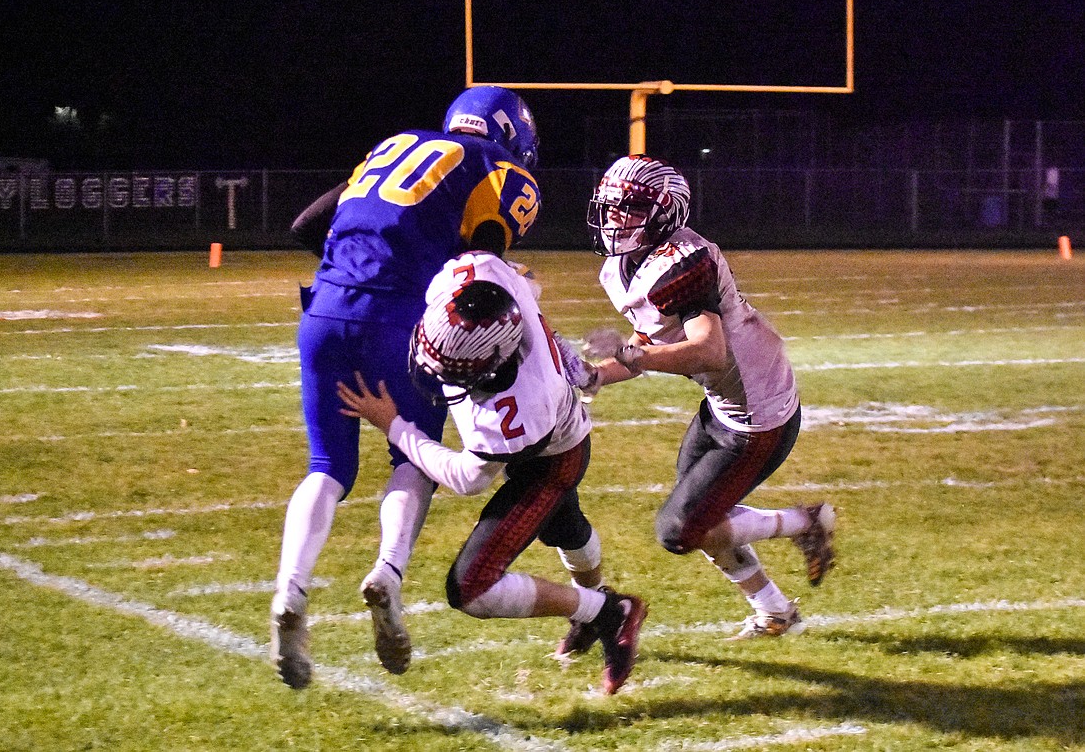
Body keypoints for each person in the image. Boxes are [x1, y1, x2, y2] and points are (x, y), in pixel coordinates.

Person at [271, 86, 542, 689]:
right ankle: (388, 572)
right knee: (412, 455)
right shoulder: (494, 170)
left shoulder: (392, 145)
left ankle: (290, 588)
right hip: (397, 323)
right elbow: (482, 267)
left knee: (326, 466)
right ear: (511, 133)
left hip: (324, 312)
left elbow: (305, 226)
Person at [337, 250, 648, 695]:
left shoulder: (516, 407)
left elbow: (466, 477)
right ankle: (595, 613)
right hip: (560, 425)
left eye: (457, 373)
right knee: (565, 527)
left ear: (495, 366)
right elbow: (525, 282)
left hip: (552, 458)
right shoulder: (475, 274)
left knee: (471, 586)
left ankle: (606, 613)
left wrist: (395, 427)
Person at [565, 154, 836, 640]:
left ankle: (805, 522)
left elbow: (709, 351)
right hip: (724, 405)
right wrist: (599, 374)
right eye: (610, 206)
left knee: (679, 529)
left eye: (629, 207)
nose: (613, 218)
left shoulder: (682, 263)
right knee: (703, 516)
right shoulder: (622, 266)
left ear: (665, 211)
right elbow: (652, 338)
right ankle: (776, 611)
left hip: (759, 415)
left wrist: (630, 357)